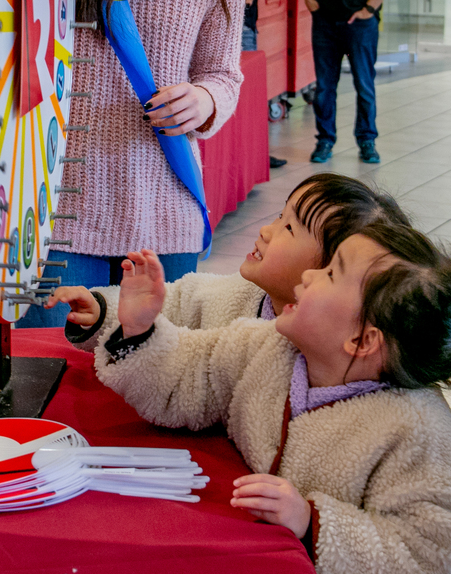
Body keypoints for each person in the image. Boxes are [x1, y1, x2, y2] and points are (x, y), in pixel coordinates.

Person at [94, 222, 451, 574]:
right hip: (261, 570)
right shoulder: (269, 348)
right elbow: (191, 375)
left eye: (331, 273)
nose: (310, 274)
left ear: (361, 340)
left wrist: (311, 521)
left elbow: (425, 555)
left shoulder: (416, 429)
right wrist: (140, 330)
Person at [17, 0, 245, 328]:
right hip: (57, 207)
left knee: (157, 367)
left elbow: (222, 74)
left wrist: (205, 99)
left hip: (166, 206)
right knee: (53, 368)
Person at [42, 174, 410, 351]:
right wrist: (106, 312)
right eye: (279, 216)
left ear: (330, 268)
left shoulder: (327, 353)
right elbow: (175, 303)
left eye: (289, 228)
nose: (266, 230)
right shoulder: (234, 295)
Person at [305, 0, 383, 164]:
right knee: (324, 87)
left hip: (361, 23)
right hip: (324, 21)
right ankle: (325, 140)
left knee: (364, 85)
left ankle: (367, 140)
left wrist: (368, 10)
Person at [242, 0, 287, 169]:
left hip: (246, 21)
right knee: (241, 98)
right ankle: (251, 157)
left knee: (249, 98)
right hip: (229, 23)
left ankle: (256, 156)